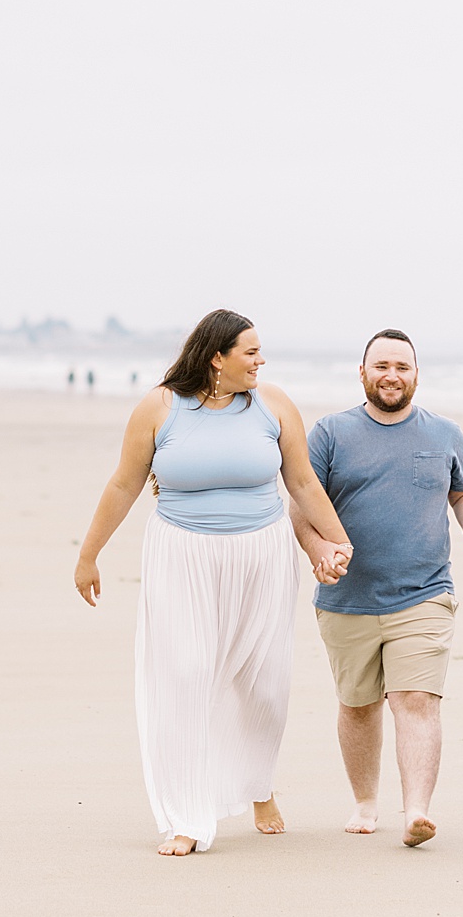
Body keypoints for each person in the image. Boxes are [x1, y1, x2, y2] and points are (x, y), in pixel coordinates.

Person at [75, 309, 352, 856]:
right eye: (250, 352)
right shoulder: (159, 408)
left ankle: (257, 783)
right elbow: (124, 484)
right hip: (182, 554)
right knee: (187, 673)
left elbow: (301, 480)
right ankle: (187, 815)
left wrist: (338, 542)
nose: (261, 360)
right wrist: (89, 556)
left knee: (264, 684)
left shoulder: (272, 404)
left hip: (263, 553)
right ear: (215, 357)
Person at [289, 329, 463, 848]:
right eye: (381, 365)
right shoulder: (331, 432)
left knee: (416, 698)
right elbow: (303, 505)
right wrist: (317, 551)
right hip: (346, 599)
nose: (392, 375)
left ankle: (416, 811)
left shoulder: (444, 433)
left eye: (402, 366)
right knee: (358, 705)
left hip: (424, 593)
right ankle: (364, 801)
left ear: (416, 374)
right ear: (362, 373)